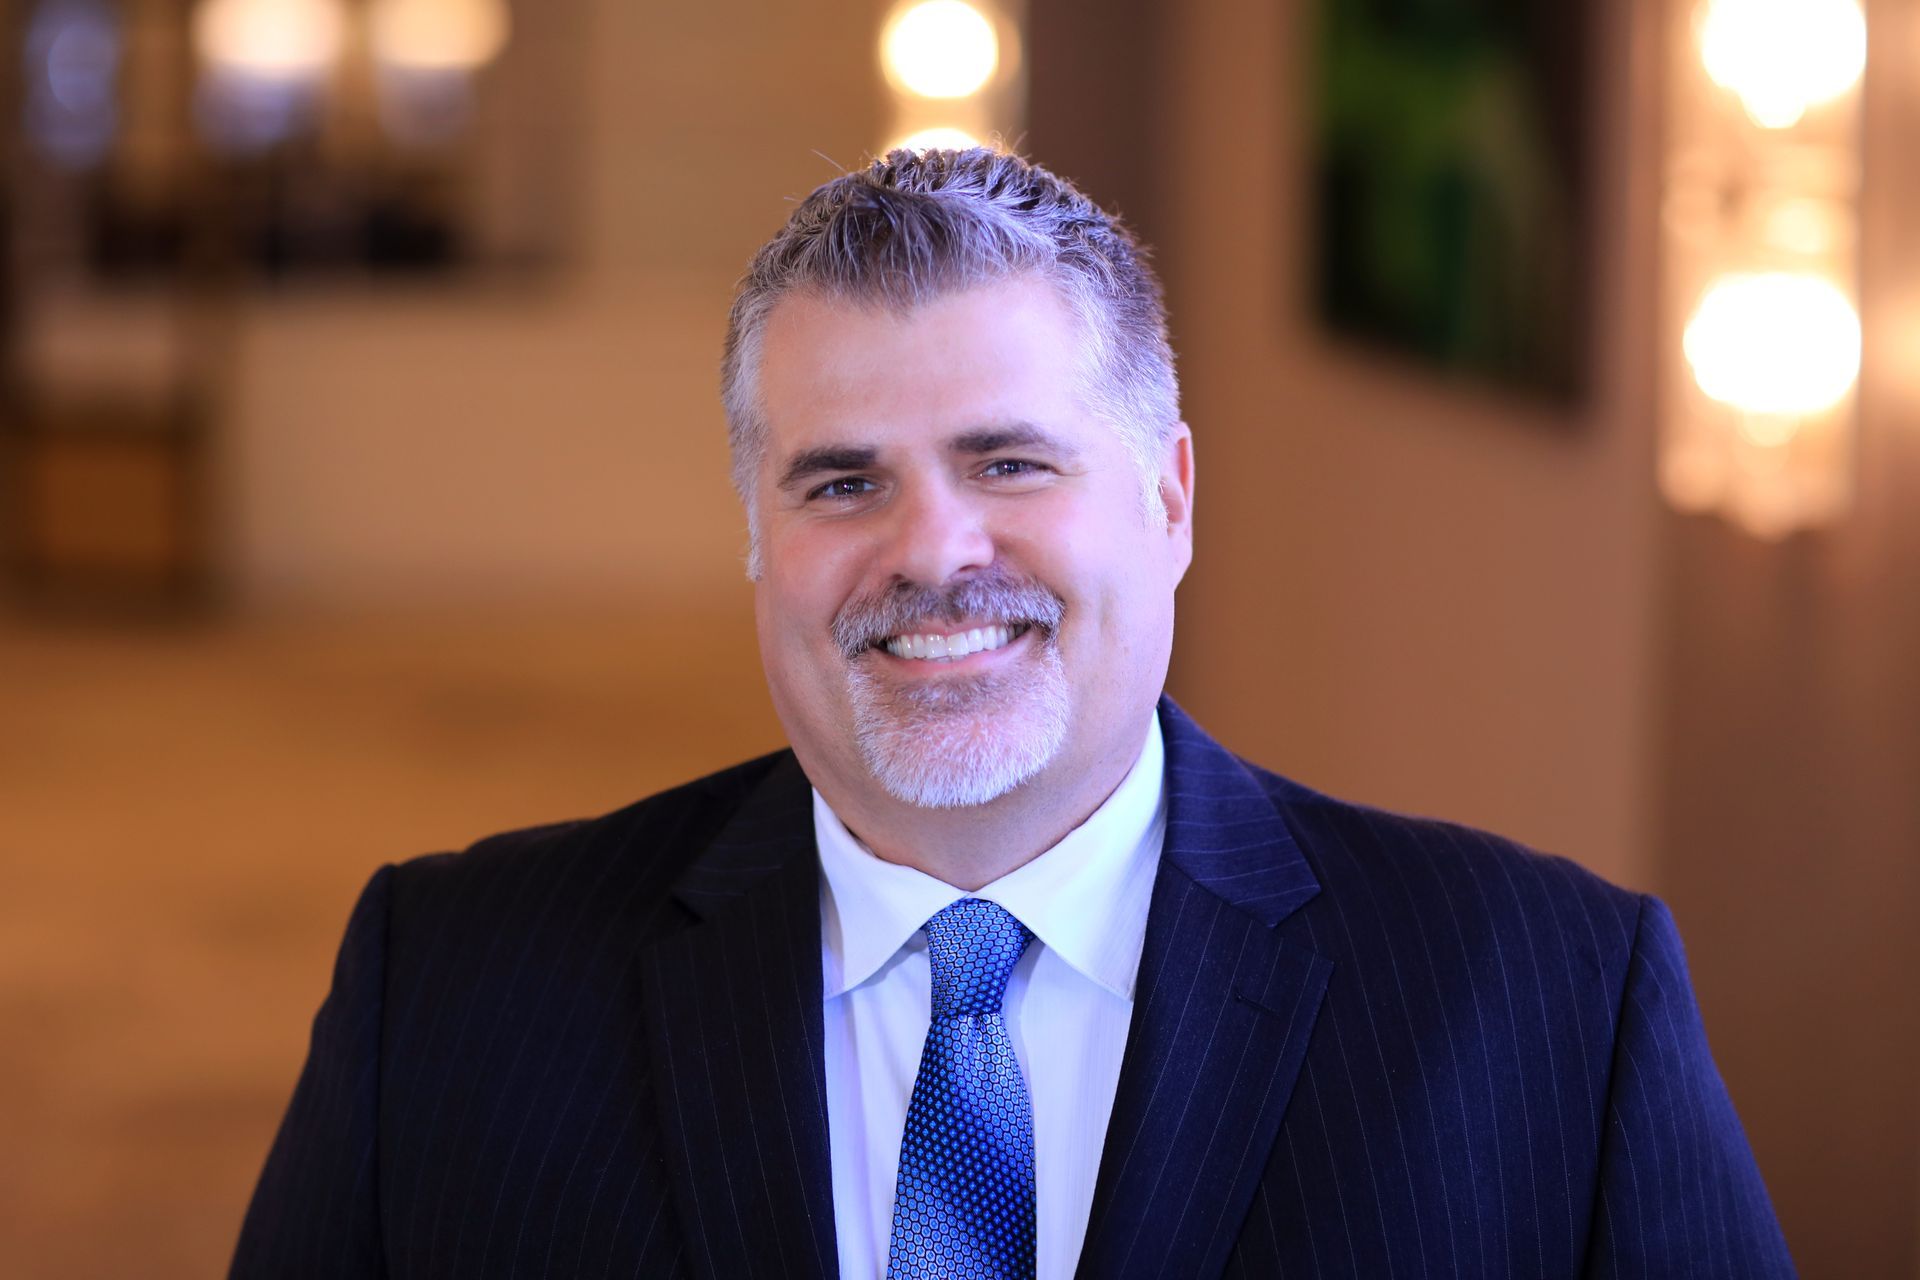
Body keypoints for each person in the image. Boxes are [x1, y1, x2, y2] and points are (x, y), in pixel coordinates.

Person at [232, 148, 1794, 1279]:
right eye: (843, 482)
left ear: (1169, 499)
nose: (932, 551)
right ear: (760, 544)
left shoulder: (1558, 1013)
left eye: (1009, 462)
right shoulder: (439, 993)